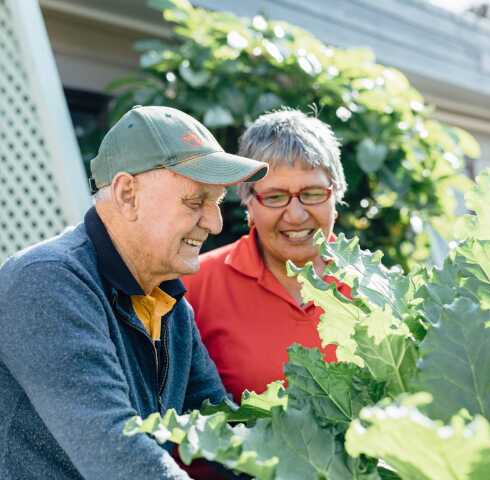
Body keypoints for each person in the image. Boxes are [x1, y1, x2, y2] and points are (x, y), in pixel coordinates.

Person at [0, 105, 268, 479]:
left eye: (218, 202)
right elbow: (117, 452)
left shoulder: (168, 303)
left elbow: (220, 432)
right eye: (196, 201)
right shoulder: (45, 282)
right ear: (128, 194)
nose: (215, 222)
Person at [182, 109, 348, 403]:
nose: (296, 216)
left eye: (312, 193)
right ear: (248, 201)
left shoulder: (376, 287)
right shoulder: (194, 286)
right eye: (274, 197)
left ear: (336, 194)